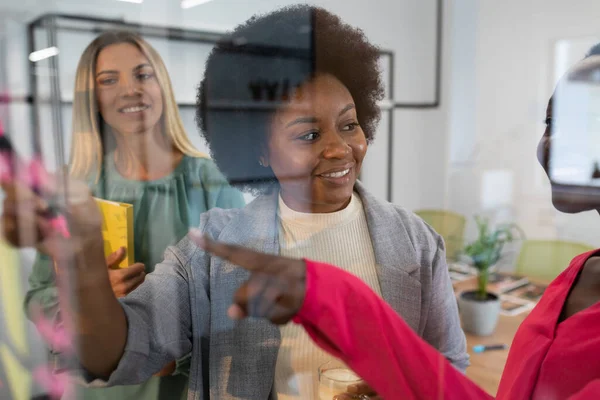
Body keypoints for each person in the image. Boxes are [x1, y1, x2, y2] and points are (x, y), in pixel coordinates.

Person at [1, 5, 466, 400]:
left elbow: (450, 372)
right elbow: (112, 353)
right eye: (308, 134)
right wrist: (82, 254)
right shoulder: (213, 247)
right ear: (259, 150)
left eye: (349, 125)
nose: (340, 148)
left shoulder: (418, 243)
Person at [186, 43, 600, 400]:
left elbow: (450, 363)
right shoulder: (578, 277)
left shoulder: (416, 240)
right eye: (552, 122)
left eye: (586, 123)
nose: (555, 143)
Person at [23, 31, 245, 400]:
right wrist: (87, 297)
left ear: (162, 85)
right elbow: (36, 297)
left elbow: (240, 304)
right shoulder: (73, 189)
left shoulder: (211, 183)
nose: (130, 90)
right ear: (91, 98)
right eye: (109, 80)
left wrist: (178, 358)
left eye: (143, 75)